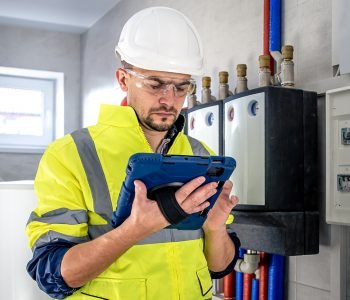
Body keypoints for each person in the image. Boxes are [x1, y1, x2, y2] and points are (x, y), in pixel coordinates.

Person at [26, 6, 240, 299]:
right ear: (123, 79)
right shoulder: (71, 153)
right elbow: (52, 276)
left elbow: (219, 267)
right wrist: (135, 229)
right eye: (155, 84)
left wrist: (215, 228)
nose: (169, 99)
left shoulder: (200, 153)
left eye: (181, 87)